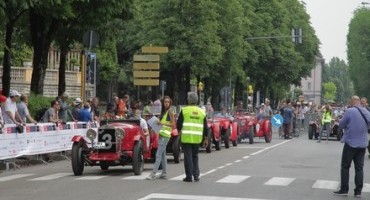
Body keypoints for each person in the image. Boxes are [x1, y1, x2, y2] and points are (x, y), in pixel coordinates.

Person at [333, 95, 370, 197]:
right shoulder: (367, 112)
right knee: (359, 168)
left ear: (352, 101)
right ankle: (358, 191)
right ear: (359, 101)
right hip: (362, 144)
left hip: (350, 143)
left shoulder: (350, 111)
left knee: (345, 166)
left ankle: (344, 189)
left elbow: (341, 124)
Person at [177, 92, 208, 182]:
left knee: (188, 157)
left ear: (189, 100)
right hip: (197, 138)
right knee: (195, 156)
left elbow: (179, 124)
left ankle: (189, 176)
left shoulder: (184, 110)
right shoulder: (202, 112)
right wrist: (205, 139)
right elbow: (206, 127)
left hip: (186, 137)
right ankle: (196, 175)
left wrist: (179, 131)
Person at [147, 96, 176, 180]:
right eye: (165, 102)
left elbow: (173, 124)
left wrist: (161, 123)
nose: (166, 103)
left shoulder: (170, 111)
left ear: (170, 103)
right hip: (161, 134)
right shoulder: (164, 111)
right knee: (162, 155)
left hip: (165, 135)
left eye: (168, 102)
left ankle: (153, 173)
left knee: (158, 154)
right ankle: (164, 173)